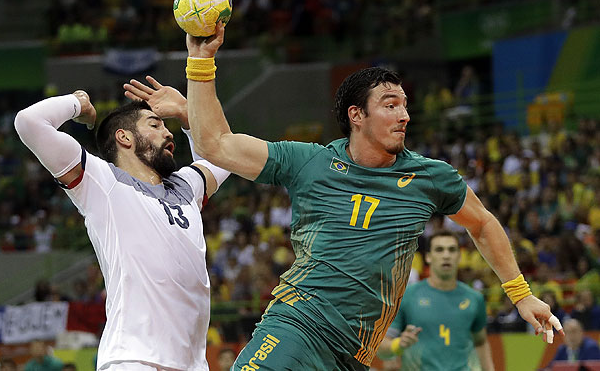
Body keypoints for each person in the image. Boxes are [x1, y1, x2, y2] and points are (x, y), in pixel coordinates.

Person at [124, 23, 563, 371]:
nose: (404, 114)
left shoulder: (432, 178)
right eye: (390, 104)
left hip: (355, 356)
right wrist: (201, 62)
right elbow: (218, 144)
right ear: (357, 115)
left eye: (405, 104)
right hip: (299, 326)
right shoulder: (308, 162)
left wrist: (521, 294)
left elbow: (482, 222)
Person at [14, 86, 230, 370]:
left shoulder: (185, 187)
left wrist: (188, 113)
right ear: (124, 137)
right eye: (155, 124)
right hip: (133, 358)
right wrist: (79, 103)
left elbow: (225, 154)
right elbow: (29, 123)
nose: (168, 133)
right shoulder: (102, 182)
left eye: (167, 125)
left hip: (191, 364)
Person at [377, 232, 494, 370]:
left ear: (459, 256)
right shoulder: (407, 296)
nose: (446, 255)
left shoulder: (475, 298)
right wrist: (398, 345)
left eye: (452, 250)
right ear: (428, 257)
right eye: (439, 250)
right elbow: (381, 348)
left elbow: (480, 343)